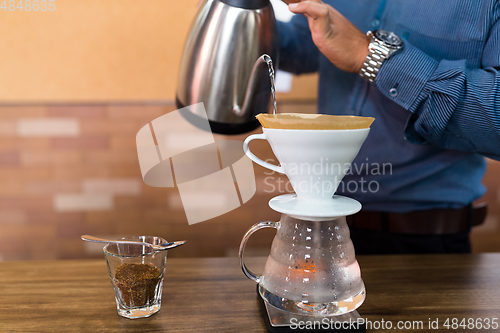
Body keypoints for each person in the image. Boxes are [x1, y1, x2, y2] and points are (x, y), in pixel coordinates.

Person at [277, 0, 500, 254]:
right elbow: (307, 44)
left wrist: (371, 55)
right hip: (323, 221)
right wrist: (244, 14)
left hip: (425, 243)